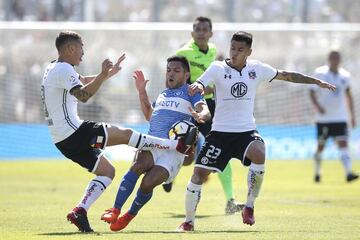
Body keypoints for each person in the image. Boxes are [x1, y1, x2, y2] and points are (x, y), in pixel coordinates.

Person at [176, 31, 336, 231]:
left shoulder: (257, 69)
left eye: (240, 50)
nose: (234, 53)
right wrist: (196, 87)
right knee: (198, 175)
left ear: (249, 51)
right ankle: (188, 222)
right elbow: (201, 83)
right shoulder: (217, 68)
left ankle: (249, 206)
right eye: (233, 48)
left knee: (260, 152)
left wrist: (315, 81)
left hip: (246, 131)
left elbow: (287, 75)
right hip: (220, 134)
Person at [40, 31, 195, 232]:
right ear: (70, 48)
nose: (83, 53)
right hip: (74, 131)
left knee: (107, 172)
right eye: (81, 48)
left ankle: (80, 210)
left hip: (61, 139)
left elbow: (84, 80)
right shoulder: (63, 70)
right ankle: (175, 145)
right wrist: (103, 74)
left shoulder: (54, 67)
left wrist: (108, 74)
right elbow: (84, 95)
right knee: (125, 135)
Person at [100, 56, 210, 231]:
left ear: (186, 74)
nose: (171, 74)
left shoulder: (191, 91)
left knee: (147, 183)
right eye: (168, 70)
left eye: (176, 70)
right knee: (137, 165)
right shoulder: (162, 94)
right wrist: (141, 91)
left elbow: (204, 109)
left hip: (173, 152)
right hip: (153, 144)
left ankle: (129, 215)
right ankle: (114, 209)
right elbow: (149, 116)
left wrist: (201, 115)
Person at [168, 16, 243, 215]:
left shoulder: (213, 51)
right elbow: (174, 79)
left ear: (211, 33)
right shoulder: (183, 53)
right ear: (192, 33)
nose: (201, 32)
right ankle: (169, 176)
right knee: (182, 149)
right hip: (188, 105)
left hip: (210, 106)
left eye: (204, 29)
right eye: (197, 29)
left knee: (222, 150)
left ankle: (230, 200)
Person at [310, 50, 358, 183]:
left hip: (340, 117)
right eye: (332, 58)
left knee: (343, 143)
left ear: (340, 60)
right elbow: (312, 92)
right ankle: (317, 172)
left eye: (337, 58)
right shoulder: (320, 73)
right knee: (321, 146)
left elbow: (349, 96)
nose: (335, 60)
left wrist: (352, 115)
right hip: (323, 118)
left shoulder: (345, 76)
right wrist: (318, 107)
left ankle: (349, 173)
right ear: (329, 59)